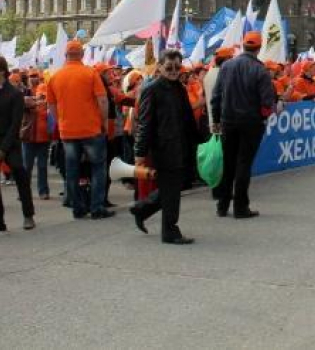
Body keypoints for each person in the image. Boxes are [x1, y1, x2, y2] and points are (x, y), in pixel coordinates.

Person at [131, 50, 200, 244]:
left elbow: (187, 117)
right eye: (169, 67)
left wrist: (197, 141)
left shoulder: (179, 87)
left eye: (177, 67)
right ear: (159, 67)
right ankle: (170, 231)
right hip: (163, 148)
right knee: (171, 190)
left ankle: (142, 208)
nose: (173, 71)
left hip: (181, 146)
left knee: (172, 187)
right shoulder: (151, 89)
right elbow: (144, 123)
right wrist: (140, 152)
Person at [210, 31, 277, 219]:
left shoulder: (227, 66)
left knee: (229, 163)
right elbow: (266, 102)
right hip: (251, 122)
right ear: (259, 47)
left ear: (243, 45)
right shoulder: (260, 70)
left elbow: (216, 96)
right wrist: (269, 113)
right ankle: (240, 207)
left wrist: (216, 120)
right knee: (243, 164)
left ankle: (222, 205)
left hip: (228, 121)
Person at [46, 40, 114, 220]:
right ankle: (97, 207)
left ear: (65, 55)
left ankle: (77, 207)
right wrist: (104, 122)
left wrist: (61, 120)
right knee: (98, 168)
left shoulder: (55, 77)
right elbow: (103, 101)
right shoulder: (90, 73)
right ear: (82, 54)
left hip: (68, 131)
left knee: (72, 170)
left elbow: (51, 106)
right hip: (91, 129)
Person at [0, 57, 35, 231]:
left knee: (20, 173)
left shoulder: (14, 94)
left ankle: (28, 215)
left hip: (11, 141)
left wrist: (3, 148)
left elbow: (15, 125)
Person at [22, 69, 51, 200]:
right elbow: (23, 103)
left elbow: (48, 103)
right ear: (27, 78)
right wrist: (36, 101)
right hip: (28, 136)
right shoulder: (23, 92)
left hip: (43, 136)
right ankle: (23, 192)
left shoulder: (44, 89)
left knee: (42, 166)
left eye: (35, 76)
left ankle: (43, 191)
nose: (33, 78)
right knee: (26, 167)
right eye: (31, 76)